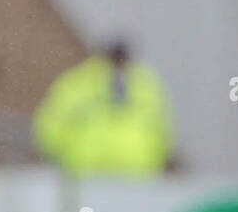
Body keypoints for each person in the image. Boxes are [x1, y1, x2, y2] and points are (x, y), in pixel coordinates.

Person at [33, 40, 175, 177]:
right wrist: (60, 158)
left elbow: (163, 129)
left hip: (136, 176)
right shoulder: (79, 83)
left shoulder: (146, 85)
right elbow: (51, 126)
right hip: (87, 174)